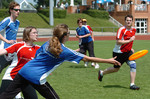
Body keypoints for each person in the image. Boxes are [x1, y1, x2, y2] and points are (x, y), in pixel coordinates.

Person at [0, 24, 121, 99]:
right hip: (37, 78)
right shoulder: (64, 50)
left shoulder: (48, 43)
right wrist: (108, 60)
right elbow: (87, 58)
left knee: (5, 96)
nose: (69, 35)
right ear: (64, 36)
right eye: (69, 33)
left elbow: (37, 55)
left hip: (23, 71)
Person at [98, 15, 140, 90]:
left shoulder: (134, 30)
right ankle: (101, 73)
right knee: (116, 69)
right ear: (125, 21)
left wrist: (131, 48)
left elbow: (128, 41)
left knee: (133, 65)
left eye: (130, 20)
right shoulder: (121, 30)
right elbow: (118, 42)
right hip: (118, 53)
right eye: (127, 20)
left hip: (128, 53)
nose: (129, 22)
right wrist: (129, 41)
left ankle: (132, 84)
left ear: (132, 21)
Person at [0, 26, 40, 99]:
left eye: (37, 33)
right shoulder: (19, 45)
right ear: (27, 34)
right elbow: (2, 51)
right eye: (34, 33)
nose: (36, 34)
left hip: (26, 79)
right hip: (11, 77)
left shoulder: (38, 49)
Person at [0, 1, 20, 73]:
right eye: (16, 10)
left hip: (12, 51)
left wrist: (16, 42)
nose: (18, 11)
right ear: (11, 10)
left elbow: (13, 35)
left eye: (19, 10)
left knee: (18, 70)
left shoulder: (17, 22)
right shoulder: (7, 20)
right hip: (3, 50)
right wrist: (7, 41)